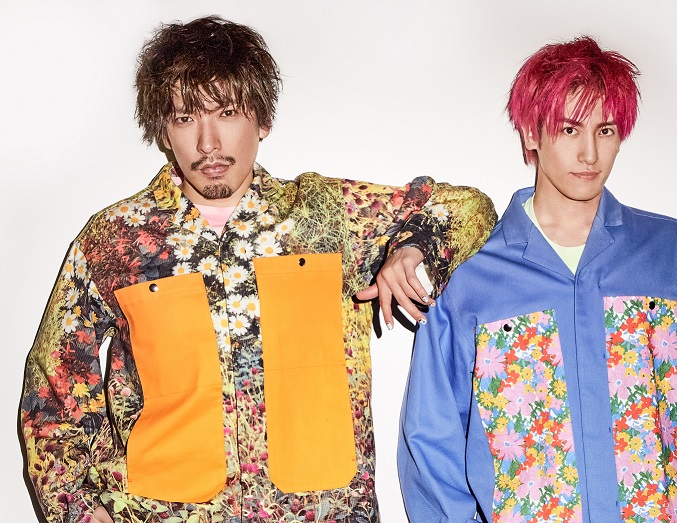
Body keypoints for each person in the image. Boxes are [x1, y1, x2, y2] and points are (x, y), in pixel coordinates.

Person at [20, 16, 496, 523]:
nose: (208, 143)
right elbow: (51, 392)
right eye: (185, 118)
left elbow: (469, 208)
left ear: (262, 119)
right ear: (164, 129)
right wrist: (79, 511)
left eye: (227, 112)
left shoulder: (324, 216)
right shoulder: (116, 239)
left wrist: (413, 248)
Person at [398, 36, 677, 523]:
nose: (589, 153)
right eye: (569, 129)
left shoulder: (673, 255)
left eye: (605, 130)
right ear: (531, 134)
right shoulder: (470, 275)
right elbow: (431, 441)